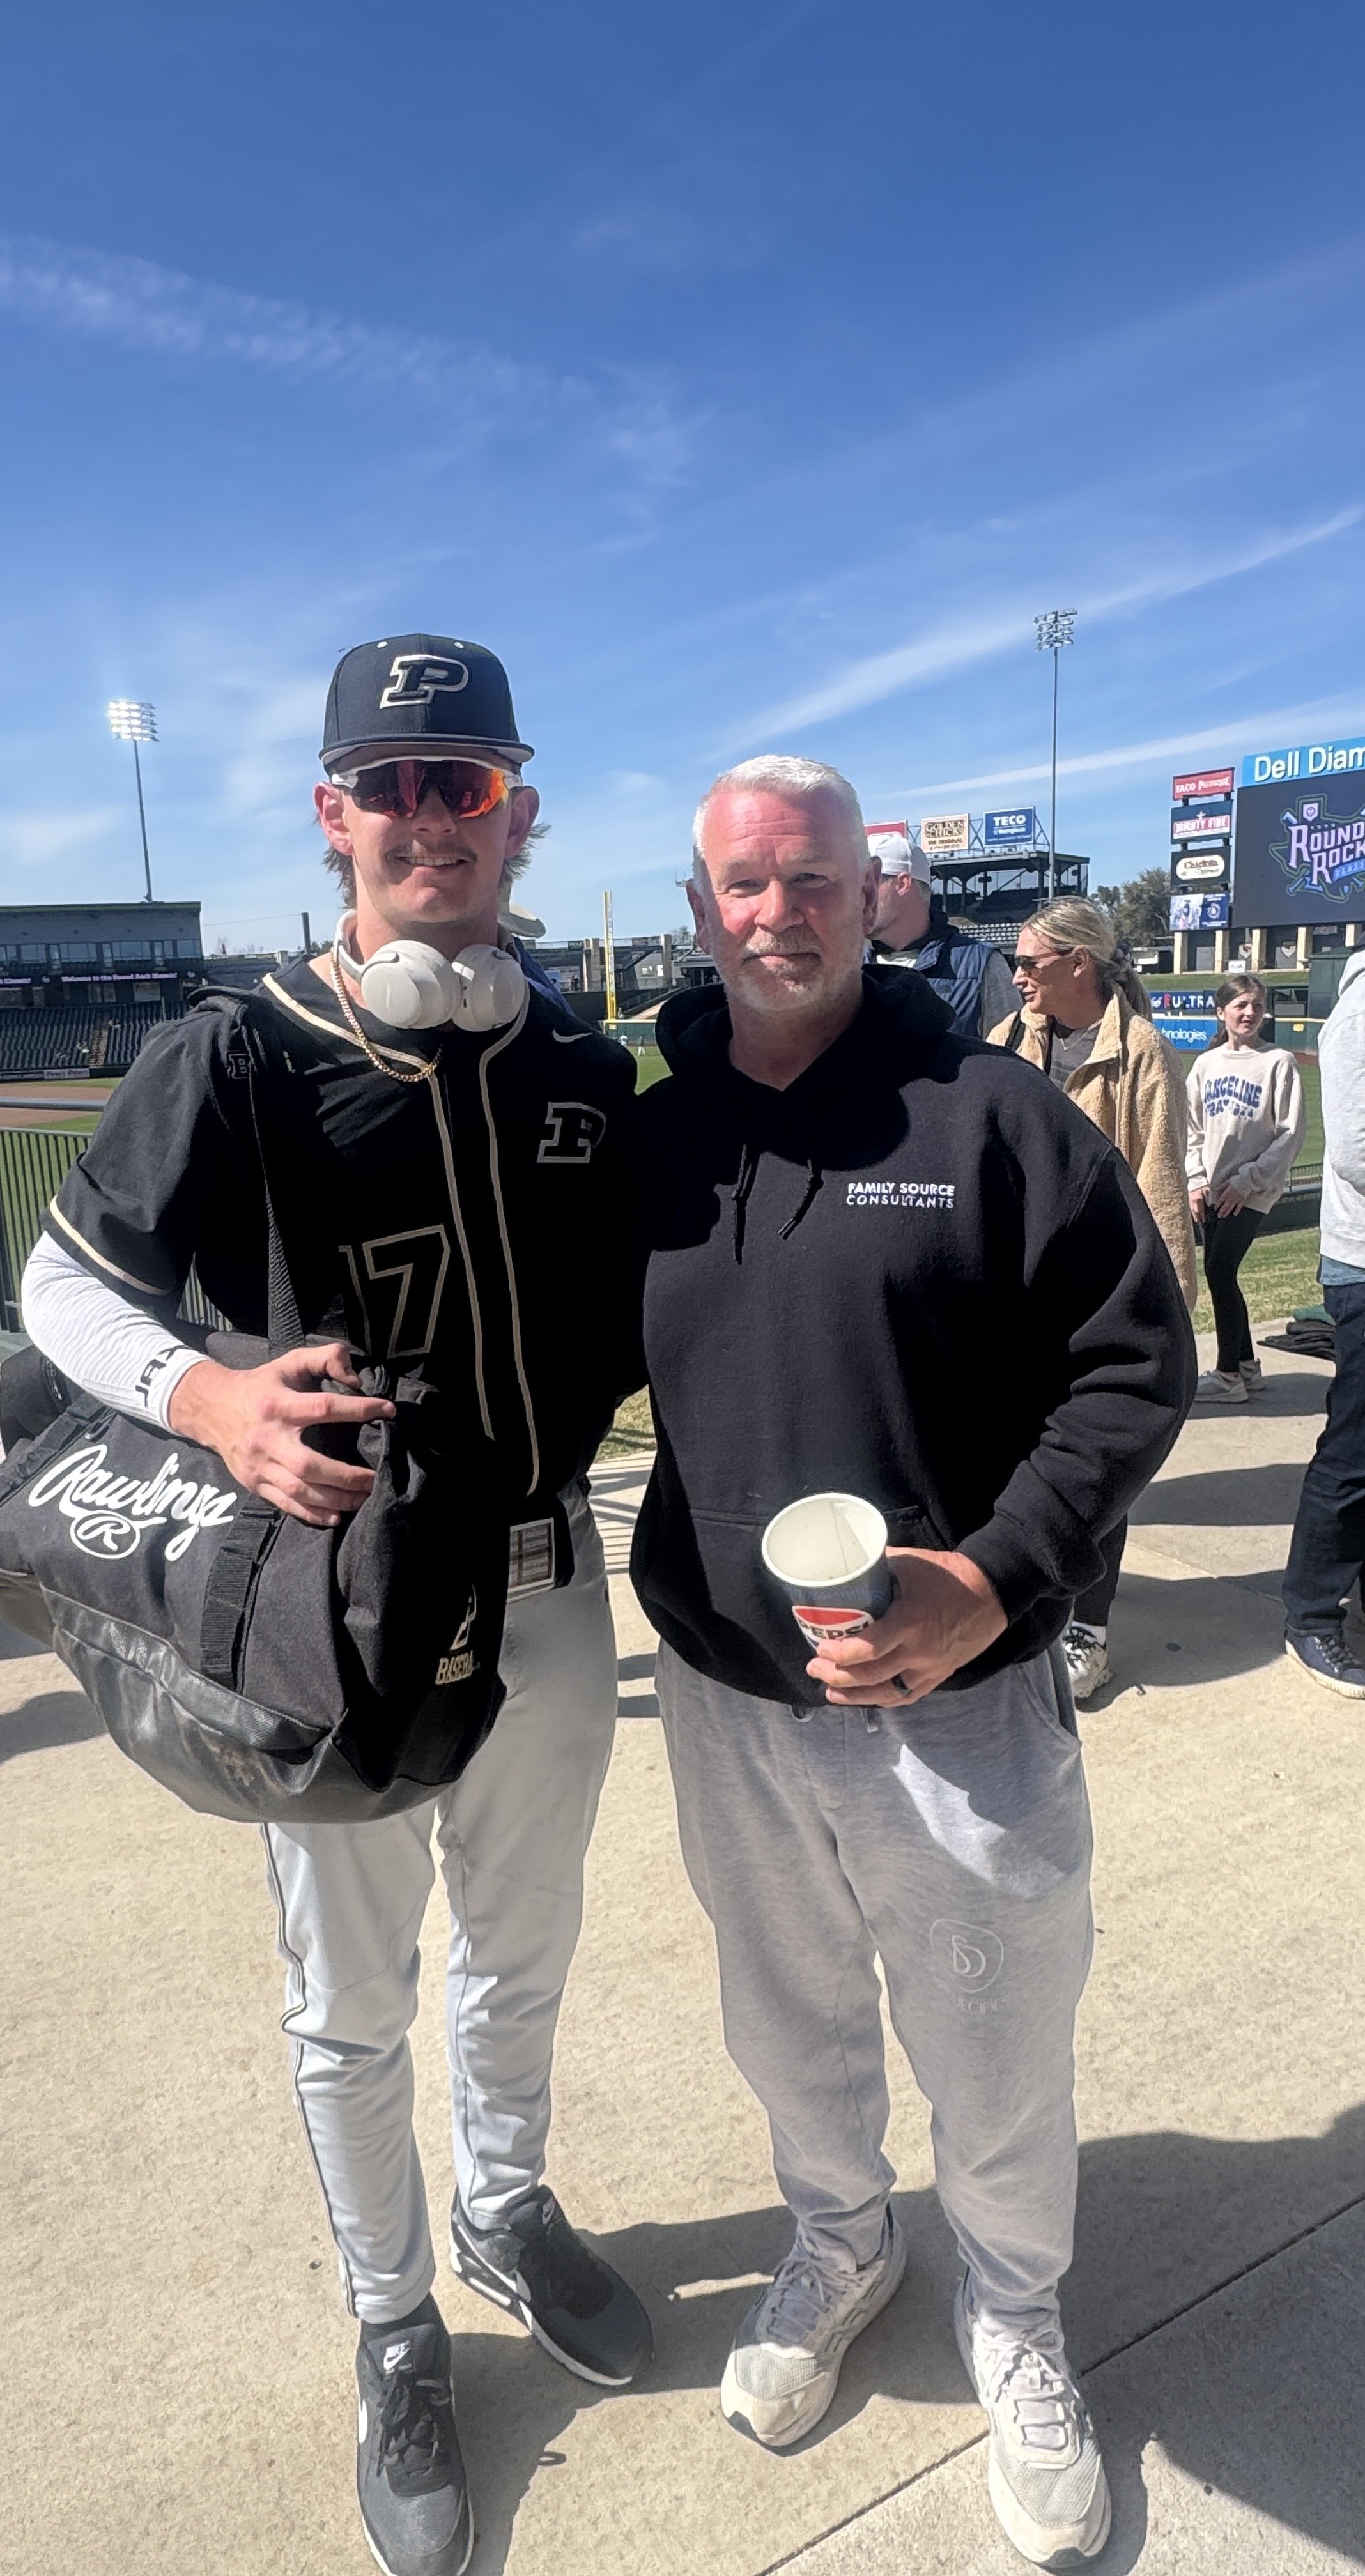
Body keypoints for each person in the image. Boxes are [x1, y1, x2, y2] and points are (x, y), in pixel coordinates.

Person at [19, 633, 651, 2576]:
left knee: (520, 1957)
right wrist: (201, 1394)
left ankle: (507, 2205)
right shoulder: (241, 1047)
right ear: (333, 816)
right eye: (390, 781)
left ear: (515, 807)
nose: (426, 814)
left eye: (464, 780)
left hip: (549, 1584)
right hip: (347, 1610)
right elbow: (60, 1292)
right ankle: (394, 2325)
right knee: (347, 2006)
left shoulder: (582, 1062)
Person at [633, 756, 1194, 2570]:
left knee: (995, 2039)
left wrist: (990, 1569)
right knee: (783, 2020)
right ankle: (842, 2240)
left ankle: (1014, 2309)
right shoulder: (660, 1131)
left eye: (810, 879)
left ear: (870, 889)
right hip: (726, 1691)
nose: (775, 912)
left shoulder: (989, 1115)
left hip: (956, 1699)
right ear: (698, 900)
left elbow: (1133, 1366)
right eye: (742, 883)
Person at [989, 898, 1195, 1703]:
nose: (1018, 978)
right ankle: (1032, 1600)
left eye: (1031, 964)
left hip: (1098, 1300)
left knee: (1098, 1467)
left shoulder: (1141, 1052)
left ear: (1081, 963)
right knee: (1021, 1464)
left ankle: (1090, 1631)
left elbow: (1163, 1191)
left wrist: (1163, 1325)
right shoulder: (1007, 1041)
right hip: (1014, 1303)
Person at [1281, 947, 1365, 1698]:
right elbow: (1357, 1153)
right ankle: (1310, 1615)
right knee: (1355, 1446)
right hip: (1363, 1264)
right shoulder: (1362, 1005)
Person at [1186, 975, 1306, 1404]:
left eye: (1256, 1005)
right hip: (1214, 1188)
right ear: (1222, 1012)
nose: (1250, 1013)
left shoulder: (1279, 1062)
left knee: (1219, 1271)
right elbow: (1192, 1128)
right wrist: (1195, 1180)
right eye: (1240, 1005)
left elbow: (1291, 1135)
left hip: (1252, 1189)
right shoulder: (1206, 1064)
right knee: (1223, 1273)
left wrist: (1248, 1181)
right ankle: (1248, 1366)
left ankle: (1227, 1375)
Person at [867, 826, 1016, 1038]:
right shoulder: (848, 965)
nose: (858, 896)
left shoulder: (982, 964)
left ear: (903, 884)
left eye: (869, 883)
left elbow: (1012, 1056)